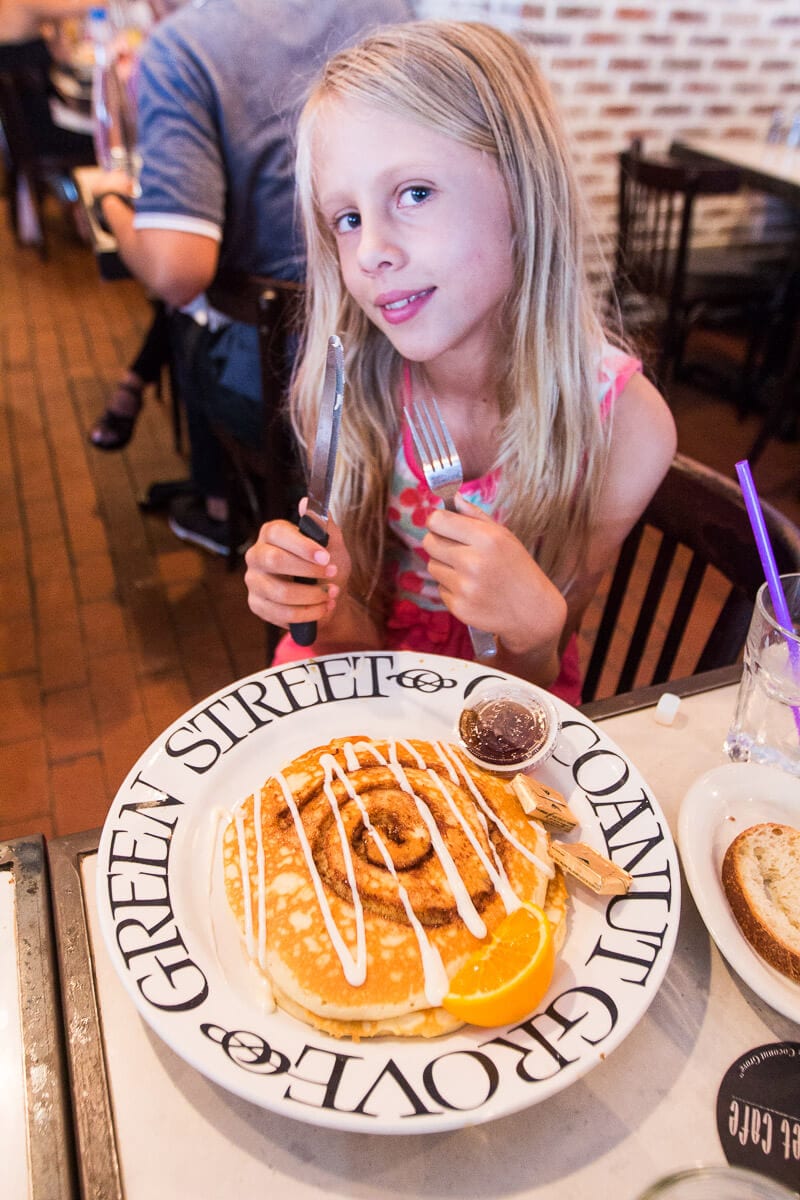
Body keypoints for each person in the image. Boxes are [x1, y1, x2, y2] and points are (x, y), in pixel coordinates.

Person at [243, 19, 677, 704]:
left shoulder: (627, 428)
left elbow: (536, 673)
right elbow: (351, 649)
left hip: (507, 696)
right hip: (365, 675)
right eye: (347, 218)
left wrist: (536, 631)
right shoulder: (352, 383)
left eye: (414, 194)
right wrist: (321, 602)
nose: (369, 252)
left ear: (524, 192)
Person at [89, 0, 413, 554]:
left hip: (284, 382)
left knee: (184, 309)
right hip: (401, 351)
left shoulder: (184, 46)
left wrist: (111, 210)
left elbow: (177, 269)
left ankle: (218, 506)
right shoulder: (391, 9)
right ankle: (139, 395)